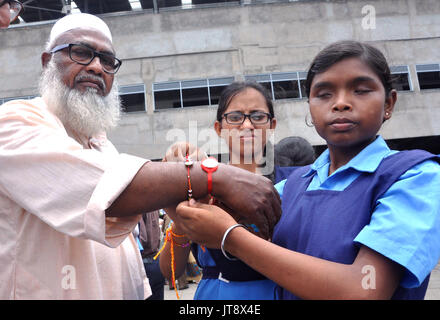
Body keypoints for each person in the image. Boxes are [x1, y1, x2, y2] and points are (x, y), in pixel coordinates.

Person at [0, 13, 281, 299]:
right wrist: (208, 180)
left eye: (107, 61)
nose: (97, 67)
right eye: (81, 53)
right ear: (48, 61)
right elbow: (112, 197)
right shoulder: (14, 121)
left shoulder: (101, 146)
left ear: (272, 124)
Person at [172, 40, 440, 299]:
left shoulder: (415, 176)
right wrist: (190, 180)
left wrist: (228, 235)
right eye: (324, 94)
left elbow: (364, 290)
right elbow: (233, 255)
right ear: (310, 110)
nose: (341, 103)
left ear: (389, 103)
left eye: (361, 90)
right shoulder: (293, 185)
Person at [160, 81, 278, 300]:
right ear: (219, 128)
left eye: (258, 116)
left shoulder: (291, 185)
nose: (247, 125)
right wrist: (183, 213)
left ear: (272, 125)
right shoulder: (203, 185)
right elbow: (171, 271)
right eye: (235, 117)